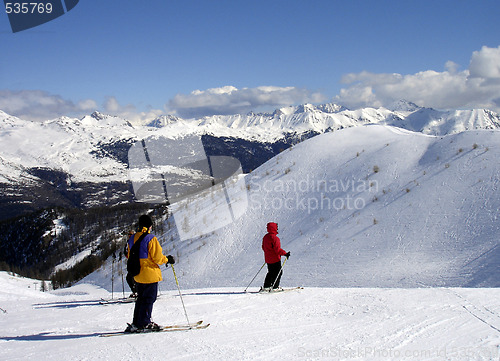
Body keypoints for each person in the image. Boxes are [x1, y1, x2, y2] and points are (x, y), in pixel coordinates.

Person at [125, 214, 175, 332]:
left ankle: (136, 322)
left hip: (137, 274)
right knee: (148, 299)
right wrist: (167, 259)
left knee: (141, 299)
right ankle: (145, 323)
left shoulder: (132, 238)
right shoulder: (150, 238)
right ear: (149, 226)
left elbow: (128, 255)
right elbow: (158, 258)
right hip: (149, 274)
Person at [261, 222, 290, 292]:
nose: (277, 228)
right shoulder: (275, 238)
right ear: (274, 228)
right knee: (278, 272)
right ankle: (275, 287)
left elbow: (263, 247)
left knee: (270, 272)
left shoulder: (265, 237)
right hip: (275, 259)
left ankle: (266, 286)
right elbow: (277, 250)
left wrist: (268, 253)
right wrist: (285, 253)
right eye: (276, 227)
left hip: (268, 259)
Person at [124, 229, 137, 298]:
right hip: (132, 262)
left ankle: (137, 292)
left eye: (131, 234)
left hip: (135, 262)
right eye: (128, 234)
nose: (129, 236)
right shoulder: (129, 242)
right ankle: (136, 291)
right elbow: (126, 252)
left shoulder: (134, 241)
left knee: (131, 277)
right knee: (130, 278)